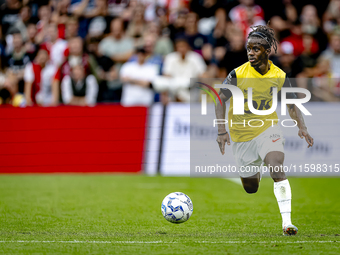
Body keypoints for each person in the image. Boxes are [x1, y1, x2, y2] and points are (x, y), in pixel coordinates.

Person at [215, 25, 314, 235]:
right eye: (248, 48)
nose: (251, 52)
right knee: (251, 188)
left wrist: (302, 127)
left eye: (256, 49)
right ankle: (256, 168)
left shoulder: (279, 75)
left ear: (267, 50)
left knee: (276, 166)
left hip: (268, 128)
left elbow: (292, 104)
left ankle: (287, 222)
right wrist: (222, 130)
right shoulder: (237, 74)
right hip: (242, 136)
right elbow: (219, 100)